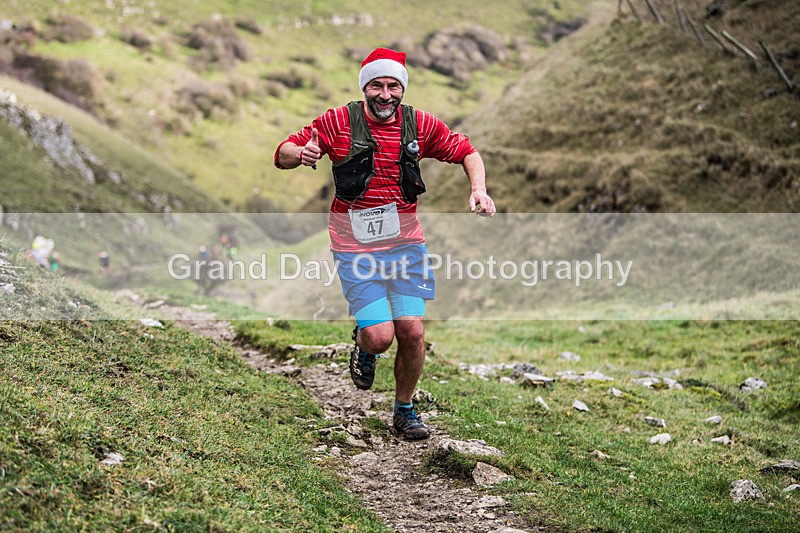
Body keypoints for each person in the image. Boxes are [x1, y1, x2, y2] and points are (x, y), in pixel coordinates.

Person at [274, 47, 495, 440]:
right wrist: (302, 153)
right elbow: (282, 153)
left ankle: (404, 409)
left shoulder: (419, 124)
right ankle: (364, 345)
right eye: (377, 85)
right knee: (380, 337)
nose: (385, 94)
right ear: (365, 87)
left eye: (394, 86)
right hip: (354, 246)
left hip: (406, 246)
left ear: (402, 88)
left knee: (412, 332)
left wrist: (478, 190)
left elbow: (467, 151)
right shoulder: (338, 121)